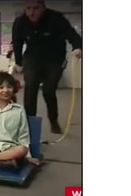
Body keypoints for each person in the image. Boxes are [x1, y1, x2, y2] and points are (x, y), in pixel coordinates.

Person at [12, 0, 82, 134]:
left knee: (49, 90)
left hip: (54, 59)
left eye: (35, 8)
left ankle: (53, 120)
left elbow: (72, 34)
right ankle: (29, 123)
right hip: (32, 57)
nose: (32, 12)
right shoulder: (20, 22)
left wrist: (78, 47)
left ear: (43, 7)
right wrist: (19, 62)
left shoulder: (56, 18)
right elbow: (17, 43)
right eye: (28, 8)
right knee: (30, 87)